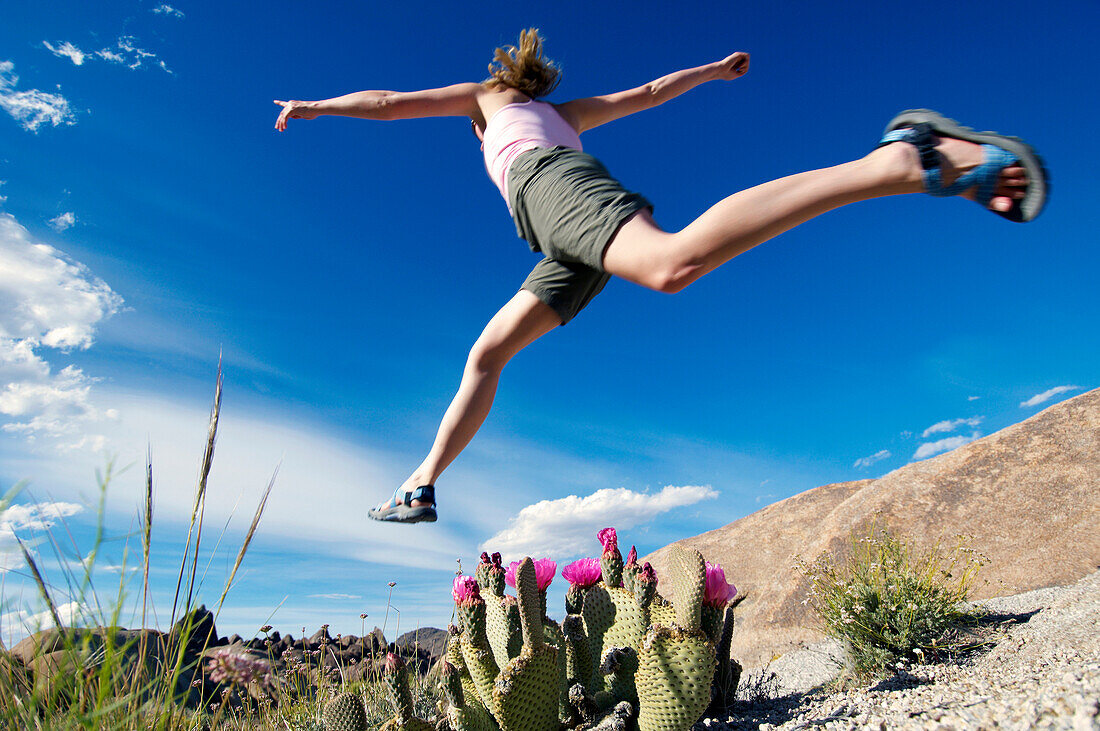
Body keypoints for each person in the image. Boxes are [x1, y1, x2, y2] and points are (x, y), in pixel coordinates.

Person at [274, 29, 1047, 524]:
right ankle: (420, 483)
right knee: (488, 353)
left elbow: (388, 101)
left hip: (556, 196)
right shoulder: (567, 113)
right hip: (556, 237)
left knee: (672, 262)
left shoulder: (491, 104)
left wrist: (317, 106)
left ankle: (899, 162)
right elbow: (646, 94)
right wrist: (709, 70)